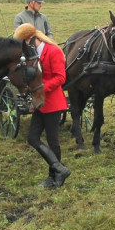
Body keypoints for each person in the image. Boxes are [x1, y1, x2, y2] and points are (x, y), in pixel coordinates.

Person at [13, 24, 71, 188]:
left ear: (31, 39)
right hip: (39, 103)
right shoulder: (32, 55)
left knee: (53, 142)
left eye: (24, 43)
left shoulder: (52, 51)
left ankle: (55, 176)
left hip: (52, 102)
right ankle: (59, 169)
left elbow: (61, 78)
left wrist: (40, 88)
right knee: (32, 138)